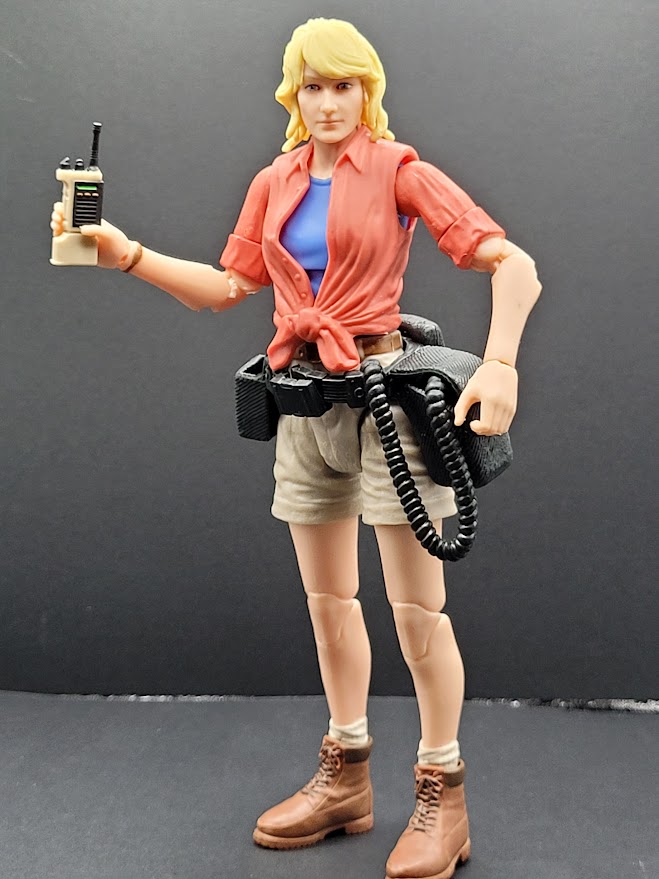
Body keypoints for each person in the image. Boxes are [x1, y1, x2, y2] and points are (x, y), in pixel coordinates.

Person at [51, 18, 541, 879]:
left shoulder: (397, 169)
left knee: (417, 611)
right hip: (304, 399)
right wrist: (125, 254)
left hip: (385, 397)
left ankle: (442, 788)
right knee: (327, 602)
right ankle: (346, 771)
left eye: (342, 85)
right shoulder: (273, 181)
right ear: (293, 94)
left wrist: (498, 364)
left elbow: (513, 265)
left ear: (366, 91)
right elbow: (226, 286)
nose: (326, 102)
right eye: (312, 86)